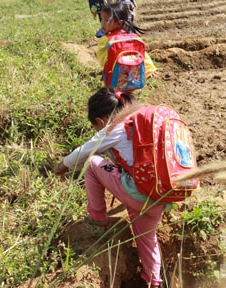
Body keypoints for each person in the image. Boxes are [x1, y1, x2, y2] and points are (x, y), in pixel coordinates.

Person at [54, 87, 163, 288]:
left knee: (93, 163)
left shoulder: (114, 127)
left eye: (95, 127)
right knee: (148, 240)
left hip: (137, 193)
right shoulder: (140, 121)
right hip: (157, 194)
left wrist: (60, 167)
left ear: (101, 121)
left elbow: (82, 153)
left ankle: (98, 219)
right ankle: (153, 281)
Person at [96, 2, 157, 82]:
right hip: (132, 77)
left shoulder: (107, 40)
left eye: (106, 20)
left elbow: (102, 60)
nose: (102, 23)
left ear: (119, 23)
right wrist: (150, 69)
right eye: (102, 19)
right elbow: (143, 55)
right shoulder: (132, 38)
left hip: (114, 78)